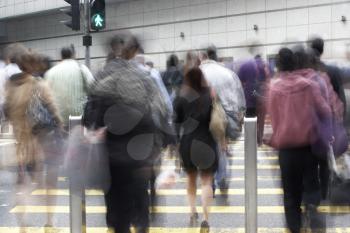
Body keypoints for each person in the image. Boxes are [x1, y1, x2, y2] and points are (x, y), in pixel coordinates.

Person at [83, 33, 169, 233]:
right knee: (140, 195)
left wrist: (98, 128)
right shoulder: (143, 76)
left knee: (115, 203)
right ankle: (141, 224)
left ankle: (119, 224)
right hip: (140, 151)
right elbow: (160, 109)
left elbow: (90, 114)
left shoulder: (102, 77)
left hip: (113, 154)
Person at [266, 48, 331, 233]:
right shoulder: (308, 85)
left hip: (285, 150)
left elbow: (273, 117)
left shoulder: (274, 87)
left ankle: (294, 227)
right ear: (295, 64)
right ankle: (311, 207)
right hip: (307, 147)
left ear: (278, 65)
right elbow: (325, 110)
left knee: (290, 194)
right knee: (310, 184)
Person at [3, 50, 63, 231]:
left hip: (19, 145)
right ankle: (49, 223)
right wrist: (60, 126)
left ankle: (22, 225)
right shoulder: (38, 85)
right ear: (31, 65)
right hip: (40, 144)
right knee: (46, 184)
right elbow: (53, 111)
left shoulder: (11, 86)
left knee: (21, 185)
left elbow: (6, 113)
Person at [173, 67, 217, 232]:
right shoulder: (210, 95)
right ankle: (205, 219)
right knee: (206, 181)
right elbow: (217, 118)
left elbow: (175, 124)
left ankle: (192, 212)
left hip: (188, 142)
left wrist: (176, 144)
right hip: (206, 141)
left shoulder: (181, 97)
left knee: (191, 179)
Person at [200, 46, 246, 191]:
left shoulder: (198, 73)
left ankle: (211, 181)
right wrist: (239, 115)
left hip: (203, 117)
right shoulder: (228, 72)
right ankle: (222, 176)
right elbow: (239, 96)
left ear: (204, 56)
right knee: (221, 147)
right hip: (225, 117)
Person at [45, 45, 95, 127]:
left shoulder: (50, 72)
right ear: (74, 55)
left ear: (61, 56)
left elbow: (45, 96)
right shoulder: (82, 69)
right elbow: (93, 89)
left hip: (58, 119)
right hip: (78, 118)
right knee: (77, 138)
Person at [310, 37, 346, 116]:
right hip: (331, 117)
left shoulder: (307, 74)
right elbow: (340, 95)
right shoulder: (333, 70)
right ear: (322, 51)